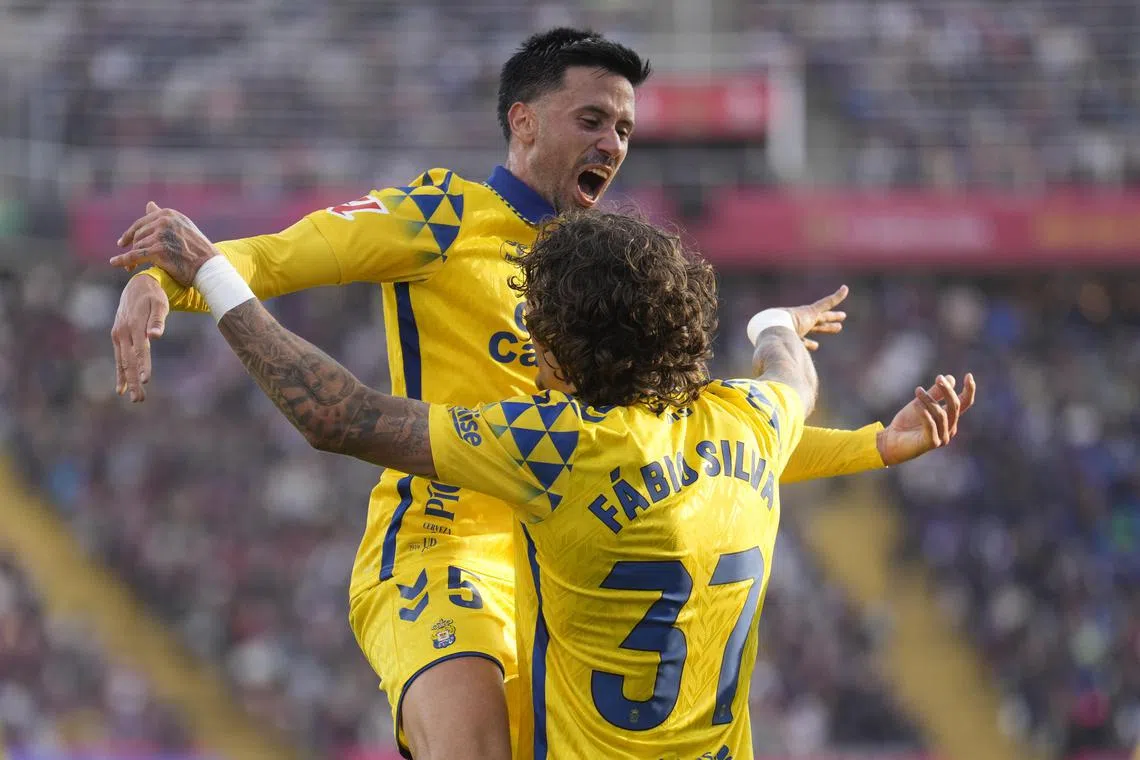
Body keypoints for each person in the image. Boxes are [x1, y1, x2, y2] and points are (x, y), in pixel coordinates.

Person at [110, 28, 974, 759]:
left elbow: (690, 445)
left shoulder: (611, 280)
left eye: (626, 130)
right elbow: (270, 256)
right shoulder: (443, 215)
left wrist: (868, 445)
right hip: (446, 543)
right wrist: (162, 274)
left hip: (564, 554)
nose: (613, 144)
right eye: (592, 119)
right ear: (523, 122)